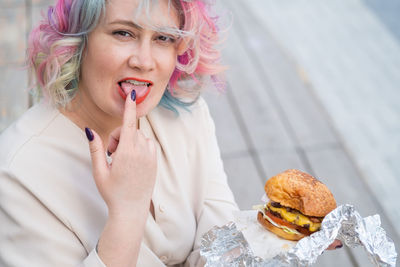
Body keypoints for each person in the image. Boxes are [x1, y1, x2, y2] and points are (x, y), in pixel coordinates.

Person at [0, 0, 239, 266]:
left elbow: (226, 242)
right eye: (123, 33)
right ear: (78, 40)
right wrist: (127, 213)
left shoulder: (189, 116)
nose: (144, 62)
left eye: (163, 37)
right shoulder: (18, 173)